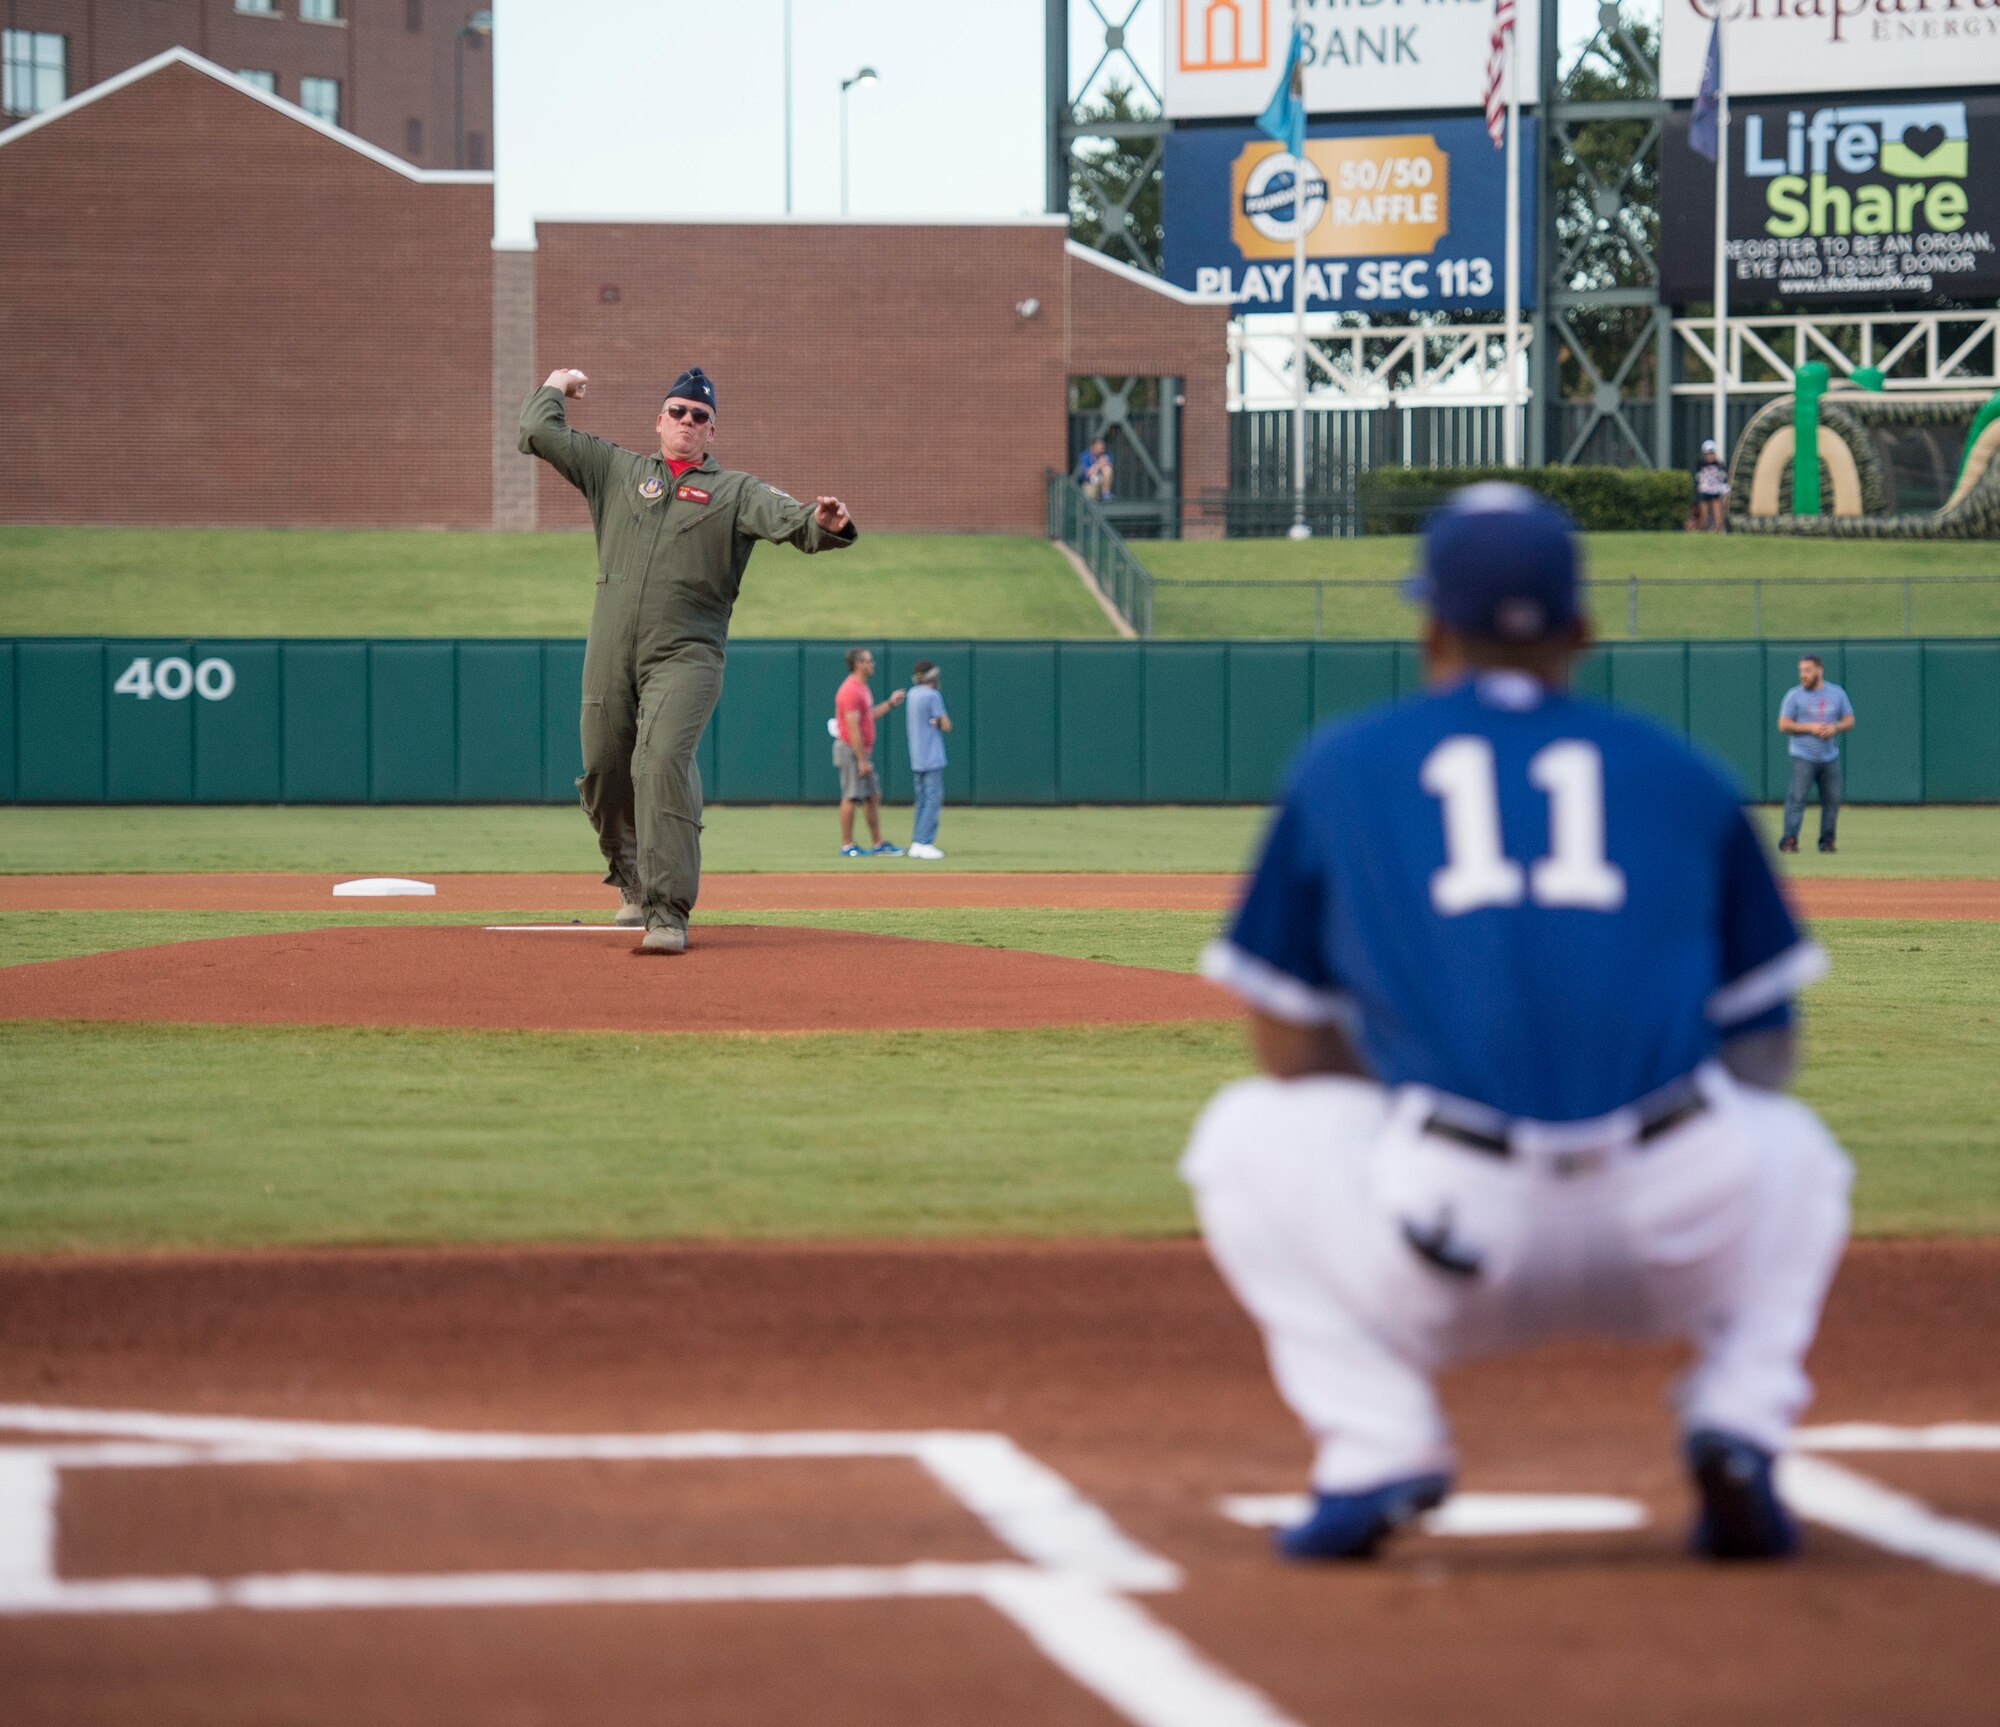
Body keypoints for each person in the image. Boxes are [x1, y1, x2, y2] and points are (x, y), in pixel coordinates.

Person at [1183, 483, 1850, 1566]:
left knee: (1239, 1135)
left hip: (1448, 1232)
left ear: (1429, 628)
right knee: (1799, 1154)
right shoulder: (1681, 772)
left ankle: (1374, 1445)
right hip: (1676, 1223)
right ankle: (1735, 1415)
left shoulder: (1343, 763)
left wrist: (1423, 1057)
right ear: (1581, 631)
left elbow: (1285, 1043)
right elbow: (1766, 1054)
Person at [519, 365, 857, 953]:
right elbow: (540, 434)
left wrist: (823, 523)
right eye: (677, 412)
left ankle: (667, 912)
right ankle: (630, 879)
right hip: (611, 650)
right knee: (603, 769)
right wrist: (553, 386)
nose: (687, 422)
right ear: (659, 420)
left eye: (700, 417)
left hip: (687, 653)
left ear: (712, 431)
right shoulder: (617, 469)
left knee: (660, 761)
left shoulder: (734, 491)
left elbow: (795, 521)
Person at [1777, 654, 1854, 855]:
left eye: (1807, 670)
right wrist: (1809, 727)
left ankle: (1827, 841)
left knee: (1833, 799)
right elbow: (1783, 724)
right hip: (1803, 755)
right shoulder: (1794, 695)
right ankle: (1789, 839)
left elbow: (1849, 719)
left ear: (1819, 670)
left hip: (1829, 757)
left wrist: (1835, 727)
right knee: (1797, 798)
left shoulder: (1836, 693)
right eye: (1801, 670)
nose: (1803, 674)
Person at [834, 647, 904, 858]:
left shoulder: (862, 688)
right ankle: (847, 845)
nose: (872, 664)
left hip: (860, 751)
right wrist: (862, 760)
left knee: (872, 795)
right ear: (858, 664)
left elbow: (868, 716)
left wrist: (891, 703)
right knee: (850, 796)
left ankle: (878, 843)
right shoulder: (850, 690)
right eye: (868, 661)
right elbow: (852, 726)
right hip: (850, 750)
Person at [904, 660, 952, 860]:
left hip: (917, 755)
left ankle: (917, 841)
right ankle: (924, 842)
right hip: (932, 756)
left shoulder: (912, 694)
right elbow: (947, 725)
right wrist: (938, 722)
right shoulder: (933, 695)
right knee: (932, 799)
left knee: (922, 800)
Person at [1692, 437, 1729, 532]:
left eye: (1711, 453)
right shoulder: (1700, 465)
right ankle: (1703, 532)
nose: (1709, 456)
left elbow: (1724, 479)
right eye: (1707, 454)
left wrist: (1725, 493)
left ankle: (1716, 531)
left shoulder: (1719, 465)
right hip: (1704, 491)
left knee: (1718, 516)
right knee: (1704, 515)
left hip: (1716, 491)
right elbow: (1698, 478)